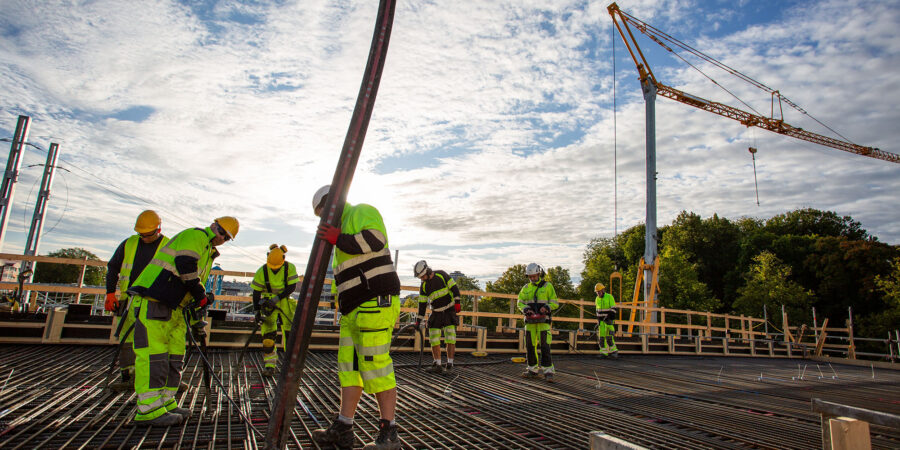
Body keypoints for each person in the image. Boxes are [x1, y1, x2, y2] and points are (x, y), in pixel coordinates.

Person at [310, 185, 402, 450]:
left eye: (323, 212)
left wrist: (338, 237)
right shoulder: (338, 233)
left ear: (332, 204)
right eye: (319, 216)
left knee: (376, 366)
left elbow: (376, 239)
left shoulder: (361, 211)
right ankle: (344, 425)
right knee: (349, 369)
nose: (323, 219)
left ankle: (390, 432)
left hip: (375, 302)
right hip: (353, 310)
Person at [127, 216, 239, 427]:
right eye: (221, 231)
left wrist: (198, 303)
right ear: (213, 225)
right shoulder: (196, 236)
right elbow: (185, 265)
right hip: (155, 301)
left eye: (226, 237)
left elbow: (193, 281)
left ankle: (166, 403)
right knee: (154, 357)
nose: (221, 237)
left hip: (175, 309)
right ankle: (149, 410)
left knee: (174, 357)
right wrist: (200, 294)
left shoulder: (207, 251)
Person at [104, 210, 169, 392]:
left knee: (154, 340)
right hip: (129, 300)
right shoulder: (129, 243)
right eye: (142, 235)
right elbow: (113, 267)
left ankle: (153, 377)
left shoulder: (168, 246)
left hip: (153, 301)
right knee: (127, 339)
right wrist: (110, 293)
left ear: (158, 229)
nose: (146, 238)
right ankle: (129, 375)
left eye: (149, 234)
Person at [251, 244, 299, 377]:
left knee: (291, 337)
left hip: (285, 304)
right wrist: (257, 311)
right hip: (268, 305)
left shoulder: (290, 268)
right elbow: (256, 292)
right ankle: (269, 366)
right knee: (268, 340)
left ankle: (291, 367)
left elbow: (292, 287)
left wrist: (277, 298)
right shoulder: (262, 270)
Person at [413, 260, 462, 373]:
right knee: (434, 338)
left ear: (427, 271)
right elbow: (422, 304)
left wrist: (457, 302)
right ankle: (438, 365)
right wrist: (418, 321)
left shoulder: (441, 274)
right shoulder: (424, 286)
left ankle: (449, 364)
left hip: (449, 310)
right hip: (436, 312)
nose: (422, 279)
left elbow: (454, 288)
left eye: (422, 276)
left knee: (450, 337)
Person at [517, 263, 559, 382]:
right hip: (530, 323)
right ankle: (532, 370)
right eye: (530, 277)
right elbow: (519, 302)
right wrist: (525, 309)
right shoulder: (525, 288)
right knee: (530, 346)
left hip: (543, 322)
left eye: (534, 276)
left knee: (545, 346)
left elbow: (555, 302)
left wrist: (546, 307)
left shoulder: (547, 286)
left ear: (539, 274)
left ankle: (548, 371)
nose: (532, 279)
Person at [594, 283, 619, 358]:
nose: (598, 293)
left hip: (608, 321)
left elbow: (613, 308)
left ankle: (614, 352)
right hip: (601, 322)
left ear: (603, 290)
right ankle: (603, 352)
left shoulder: (609, 297)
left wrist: (609, 316)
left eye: (599, 291)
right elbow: (597, 310)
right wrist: (598, 320)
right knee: (601, 338)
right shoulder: (597, 299)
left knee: (609, 338)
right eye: (597, 292)